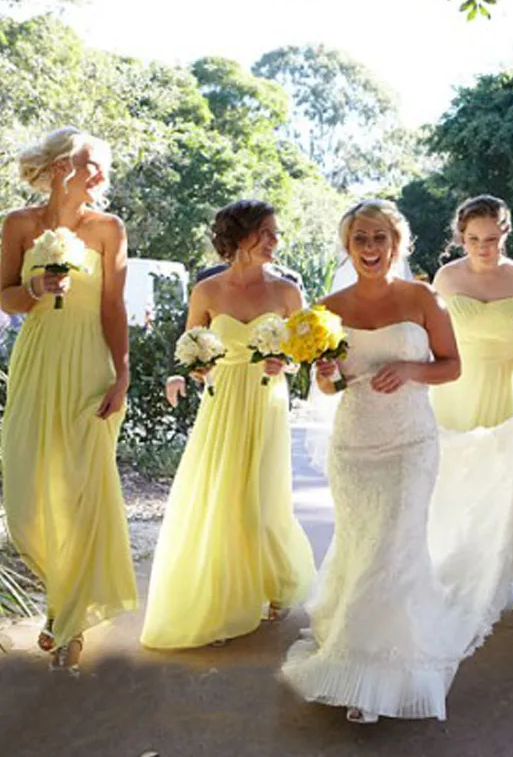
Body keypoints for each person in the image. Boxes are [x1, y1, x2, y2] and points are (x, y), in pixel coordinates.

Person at [281, 199, 513, 723]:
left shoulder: (424, 298)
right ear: (347, 245)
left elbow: (450, 366)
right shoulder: (327, 307)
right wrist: (325, 375)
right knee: (363, 542)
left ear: (397, 244)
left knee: (394, 546)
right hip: (355, 443)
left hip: (410, 442)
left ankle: (374, 676)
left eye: (380, 238)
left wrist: (409, 371)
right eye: (360, 238)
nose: (370, 248)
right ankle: (353, 636)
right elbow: (328, 382)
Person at [141, 200, 315, 649]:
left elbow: (305, 351)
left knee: (261, 494)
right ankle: (224, 595)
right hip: (220, 405)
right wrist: (186, 372)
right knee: (223, 494)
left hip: (266, 401)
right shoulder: (208, 290)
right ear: (240, 237)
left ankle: (275, 580)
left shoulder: (287, 292)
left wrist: (287, 364)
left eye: (277, 233)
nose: (276, 241)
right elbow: (191, 345)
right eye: (268, 233)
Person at [0, 126, 137, 673]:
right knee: (27, 497)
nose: (100, 175)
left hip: (89, 366)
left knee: (81, 491)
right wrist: (33, 291)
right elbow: (3, 293)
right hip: (37, 360)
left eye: (103, 165)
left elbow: (113, 307)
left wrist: (122, 374)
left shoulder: (109, 229)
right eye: (90, 163)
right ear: (60, 167)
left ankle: (68, 617)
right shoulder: (19, 224)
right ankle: (64, 593)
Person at [431, 194, 513, 427]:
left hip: (505, 390)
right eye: (473, 238)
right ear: (462, 237)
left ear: (505, 234)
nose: (482, 247)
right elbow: (433, 340)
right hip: (455, 390)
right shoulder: (446, 278)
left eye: (491, 239)